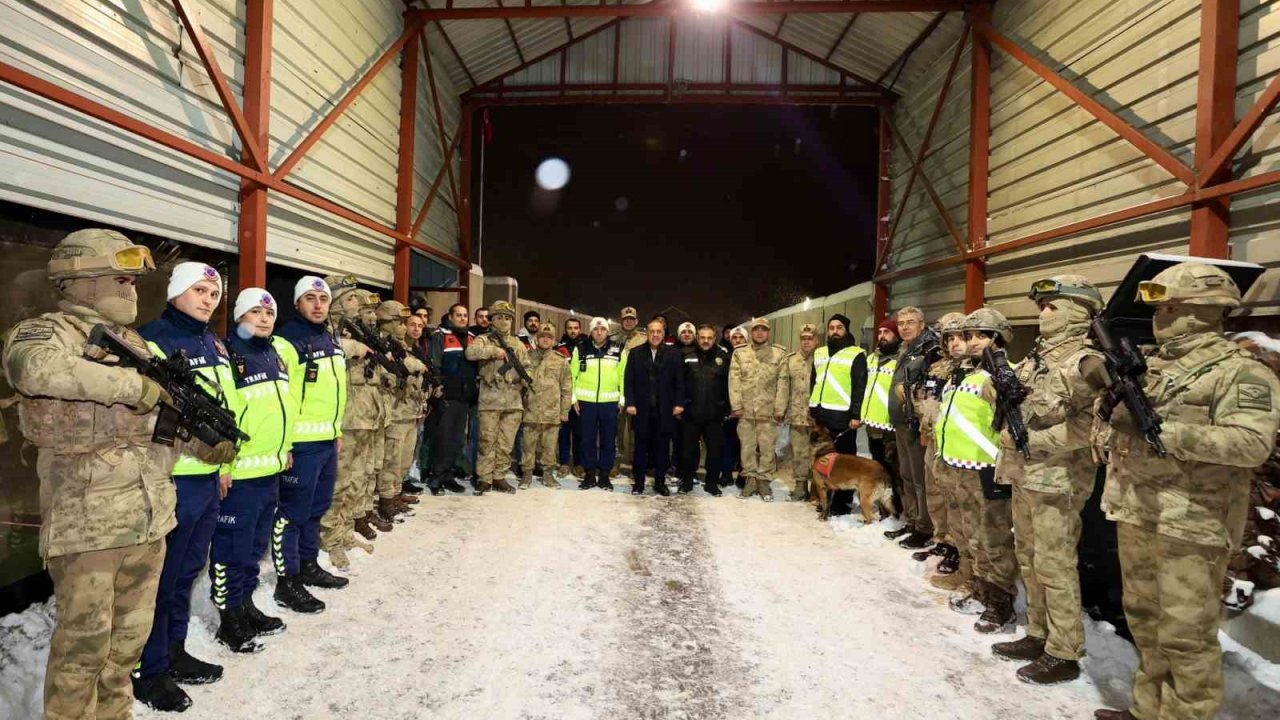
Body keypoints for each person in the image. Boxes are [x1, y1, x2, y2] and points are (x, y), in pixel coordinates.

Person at [2, 229, 231, 718]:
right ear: (80, 281)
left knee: (125, 646)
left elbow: (157, 422)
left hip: (149, 519)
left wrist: (207, 440)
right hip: (88, 524)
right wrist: (133, 385)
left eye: (132, 282)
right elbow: (34, 371)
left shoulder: (137, 345)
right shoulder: (48, 331)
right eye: (120, 280)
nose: (130, 291)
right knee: (82, 652)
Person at [1095, 263, 1280, 720]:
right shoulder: (1151, 365)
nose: (1159, 318)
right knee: (1144, 621)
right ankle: (1146, 710)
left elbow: (1252, 444)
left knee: (1186, 635)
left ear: (1202, 312)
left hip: (1193, 521)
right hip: (1137, 509)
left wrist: (1165, 432)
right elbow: (1120, 431)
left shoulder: (1239, 372)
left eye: (1170, 308)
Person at [135, 261, 245, 710]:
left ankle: (173, 652)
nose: (207, 299)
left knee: (185, 573)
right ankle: (149, 669)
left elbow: (224, 404)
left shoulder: (213, 342)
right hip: (172, 476)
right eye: (198, 290)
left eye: (213, 293)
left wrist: (223, 465)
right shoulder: (152, 339)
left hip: (206, 477)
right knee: (160, 580)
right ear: (176, 291)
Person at [989, 275, 1106, 685]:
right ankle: (1038, 633)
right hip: (1025, 474)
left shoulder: (1086, 363)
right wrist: (997, 388)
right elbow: (1008, 398)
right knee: (1029, 557)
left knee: (1055, 564)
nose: (1043, 313)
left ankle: (1064, 650)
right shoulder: (1038, 356)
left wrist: (1032, 440)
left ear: (1077, 312)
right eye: (1043, 306)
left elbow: (1092, 427)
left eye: (1053, 306)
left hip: (1057, 478)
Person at [210, 289, 295, 656]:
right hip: (241, 472)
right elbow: (223, 415)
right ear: (240, 316)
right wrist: (223, 466)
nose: (263, 318)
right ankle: (229, 620)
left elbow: (284, 407)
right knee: (232, 548)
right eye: (255, 312)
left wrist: (286, 447)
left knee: (255, 547)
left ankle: (245, 605)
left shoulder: (273, 354)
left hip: (269, 469)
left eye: (269, 313)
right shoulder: (228, 355)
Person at [936, 308, 1019, 634]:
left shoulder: (1003, 374)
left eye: (978, 336)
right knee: (971, 535)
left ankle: (1001, 604)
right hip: (959, 465)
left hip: (986, 470)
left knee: (993, 539)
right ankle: (980, 589)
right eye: (968, 336)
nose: (970, 342)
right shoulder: (968, 375)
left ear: (996, 339)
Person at [273, 276, 350, 617]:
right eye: (310, 298)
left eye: (323, 298)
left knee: (316, 509)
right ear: (297, 303)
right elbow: (283, 398)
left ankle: (307, 563)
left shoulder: (329, 339)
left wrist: (335, 431)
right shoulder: (287, 341)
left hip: (326, 441)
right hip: (301, 445)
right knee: (292, 515)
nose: (318, 304)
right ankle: (286, 581)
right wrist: (285, 443)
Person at [322, 278, 390, 556]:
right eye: (350, 299)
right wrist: (345, 348)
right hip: (343, 421)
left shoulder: (351, 332)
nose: (357, 304)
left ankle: (345, 531)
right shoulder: (326, 334)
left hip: (362, 417)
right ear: (335, 301)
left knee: (355, 479)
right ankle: (330, 539)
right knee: (338, 482)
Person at [915, 312, 968, 590]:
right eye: (948, 338)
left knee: (955, 501)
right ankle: (943, 541)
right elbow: (927, 399)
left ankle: (959, 550)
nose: (953, 343)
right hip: (935, 440)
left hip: (957, 447)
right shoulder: (939, 367)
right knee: (935, 494)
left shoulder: (973, 370)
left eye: (960, 337)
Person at [889, 306, 942, 550]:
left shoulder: (930, 350)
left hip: (917, 425)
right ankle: (912, 520)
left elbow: (933, 388)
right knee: (908, 476)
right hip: (901, 424)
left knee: (921, 479)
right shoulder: (907, 349)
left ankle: (924, 527)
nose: (905, 327)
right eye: (901, 323)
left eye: (910, 322)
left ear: (922, 324)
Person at [465, 300, 528, 494]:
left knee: (505, 443)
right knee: (487, 441)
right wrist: (495, 351)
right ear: (492, 320)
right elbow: (470, 353)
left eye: (508, 318)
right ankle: (484, 478)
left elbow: (527, 365)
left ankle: (499, 476)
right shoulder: (483, 339)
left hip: (513, 401)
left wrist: (524, 377)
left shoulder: (518, 343)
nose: (504, 322)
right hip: (490, 400)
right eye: (500, 318)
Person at [374, 301, 427, 522]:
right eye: (400, 322)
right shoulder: (380, 345)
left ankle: (395, 494)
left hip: (410, 411)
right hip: (395, 412)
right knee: (392, 460)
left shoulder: (402, 346)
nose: (405, 327)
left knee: (404, 460)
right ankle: (386, 499)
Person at [624, 319, 685, 495]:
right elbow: (629, 381)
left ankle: (660, 482)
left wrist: (679, 403)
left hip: (665, 409)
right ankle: (639, 482)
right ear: (647, 333)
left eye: (659, 331)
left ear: (663, 333)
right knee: (641, 447)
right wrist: (630, 403)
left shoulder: (673, 354)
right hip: (642, 409)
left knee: (662, 448)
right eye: (652, 331)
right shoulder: (636, 353)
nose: (656, 335)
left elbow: (679, 381)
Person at [729, 317, 788, 501]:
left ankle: (764, 482)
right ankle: (750, 481)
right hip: (746, 411)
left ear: (768, 332)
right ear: (751, 332)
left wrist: (780, 409)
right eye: (756, 330)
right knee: (746, 448)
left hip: (768, 411)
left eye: (763, 329)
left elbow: (783, 383)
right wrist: (736, 405)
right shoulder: (740, 354)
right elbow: (734, 380)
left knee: (767, 449)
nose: (760, 333)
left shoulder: (778, 355)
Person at [425, 303, 476, 495]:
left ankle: (448, 475)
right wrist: (439, 388)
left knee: (456, 438)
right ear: (451, 316)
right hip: (447, 396)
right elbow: (435, 364)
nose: (463, 318)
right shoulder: (441, 336)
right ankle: (436, 476)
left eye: (465, 315)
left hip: (464, 397)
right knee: (443, 437)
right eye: (459, 315)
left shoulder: (472, 338)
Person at [573, 317, 626, 491]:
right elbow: (572, 376)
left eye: (602, 329)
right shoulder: (580, 348)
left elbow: (622, 376)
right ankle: (589, 475)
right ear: (591, 331)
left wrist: (622, 398)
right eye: (596, 329)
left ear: (607, 331)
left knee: (608, 440)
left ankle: (604, 475)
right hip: (586, 403)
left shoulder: (618, 349)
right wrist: (574, 399)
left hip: (610, 402)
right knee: (587, 439)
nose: (599, 332)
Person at [679, 325, 732, 495]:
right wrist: (680, 405)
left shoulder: (723, 356)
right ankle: (687, 481)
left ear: (714, 338)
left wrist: (726, 407)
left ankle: (711, 483)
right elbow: (679, 382)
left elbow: (729, 384)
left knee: (715, 451)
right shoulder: (687, 354)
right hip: (690, 412)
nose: (706, 341)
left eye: (709, 338)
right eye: (702, 337)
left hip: (714, 414)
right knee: (687, 451)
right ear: (697, 338)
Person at [521, 322, 572, 488]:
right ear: (537, 338)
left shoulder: (561, 361)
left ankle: (548, 475)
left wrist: (564, 411)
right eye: (542, 336)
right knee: (528, 445)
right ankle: (527, 474)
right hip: (530, 410)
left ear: (554, 340)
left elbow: (566, 388)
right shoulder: (526, 357)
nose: (545, 340)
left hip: (552, 412)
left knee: (550, 447)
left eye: (549, 337)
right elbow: (519, 385)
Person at [862, 316, 902, 516]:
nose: (882, 336)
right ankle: (884, 506)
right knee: (877, 467)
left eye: (887, 332)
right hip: (873, 425)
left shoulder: (901, 360)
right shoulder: (871, 358)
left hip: (890, 426)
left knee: (894, 470)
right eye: (880, 332)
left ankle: (898, 509)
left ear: (896, 335)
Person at [780, 324, 820, 501]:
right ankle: (800, 486)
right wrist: (780, 409)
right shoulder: (790, 360)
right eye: (803, 338)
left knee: (819, 453)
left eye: (810, 338)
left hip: (817, 416)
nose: (806, 342)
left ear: (816, 340)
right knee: (799, 452)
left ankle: (817, 488)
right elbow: (783, 386)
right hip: (796, 414)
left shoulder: (822, 358)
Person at [611, 306, 647, 479]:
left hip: (637, 392)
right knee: (615, 430)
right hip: (615, 391)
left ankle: (635, 466)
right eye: (626, 319)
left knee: (636, 431)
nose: (628, 321)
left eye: (632, 319)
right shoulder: (612, 340)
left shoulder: (643, 340)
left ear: (637, 321)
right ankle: (615, 463)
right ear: (621, 320)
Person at [555, 317, 584, 476]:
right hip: (563, 396)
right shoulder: (559, 348)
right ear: (565, 330)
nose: (573, 330)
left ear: (580, 329)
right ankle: (564, 463)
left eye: (576, 328)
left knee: (580, 432)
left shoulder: (585, 347)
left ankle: (579, 463)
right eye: (570, 328)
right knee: (564, 433)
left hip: (580, 397)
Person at [722, 326, 749, 487]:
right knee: (727, 442)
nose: (738, 341)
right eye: (735, 338)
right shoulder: (725, 358)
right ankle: (725, 473)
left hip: (746, 409)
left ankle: (743, 474)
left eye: (741, 338)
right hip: (728, 408)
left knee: (745, 444)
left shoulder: (752, 358)